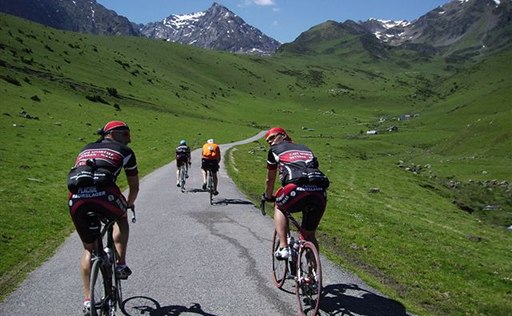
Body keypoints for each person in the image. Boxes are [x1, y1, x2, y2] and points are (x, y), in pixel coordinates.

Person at [67, 120, 139, 315]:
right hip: (105, 196)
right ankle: (121, 264)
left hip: (76, 200)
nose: (129, 139)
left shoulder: (86, 149)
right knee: (121, 218)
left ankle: (89, 300)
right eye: (126, 134)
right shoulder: (125, 152)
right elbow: (134, 186)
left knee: (89, 249)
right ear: (112, 134)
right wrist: (129, 204)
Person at [263, 127, 328, 260]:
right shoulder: (305, 148)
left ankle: (284, 247)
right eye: (267, 140)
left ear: (283, 135)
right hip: (319, 192)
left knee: (279, 205)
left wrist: (268, 196)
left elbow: (270, 179)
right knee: (309, 235)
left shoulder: (274, 151)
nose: (270, 142)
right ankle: (313, 274)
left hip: (295, 188)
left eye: (272, 137)